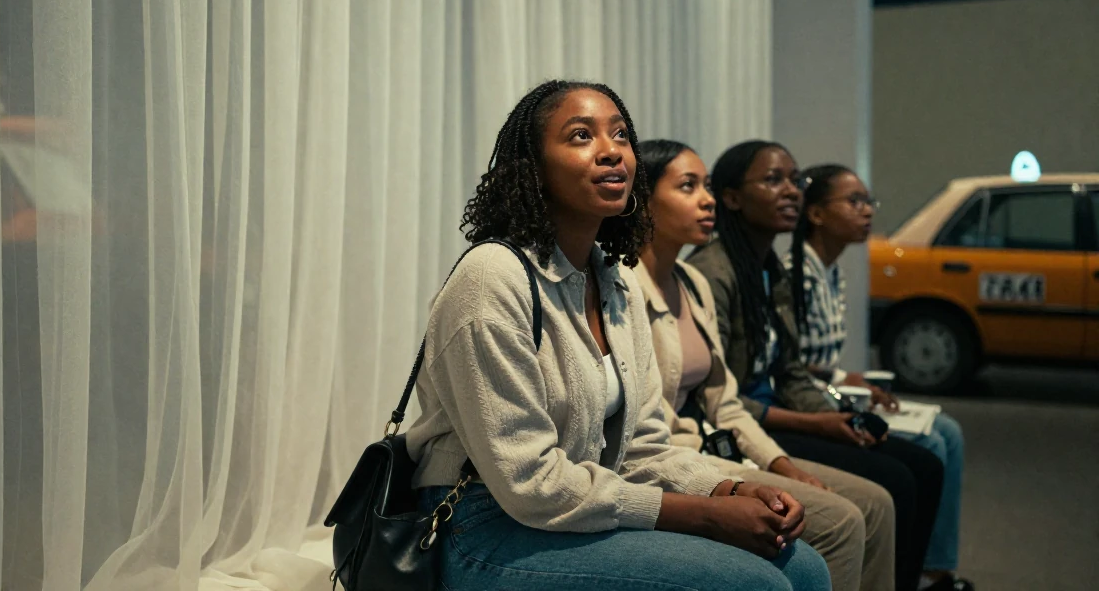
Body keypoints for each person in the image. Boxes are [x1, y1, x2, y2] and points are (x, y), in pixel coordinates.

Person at [404, 82, 831, 591]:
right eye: (581, 136)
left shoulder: (615, 280)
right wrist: (703, 515)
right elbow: (529, 485)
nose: (611, 151)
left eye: (621, 134)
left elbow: (644, 446)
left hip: (574, 508)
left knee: (804, 567)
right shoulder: (492, 278)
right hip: (482, 527)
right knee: (754, 584)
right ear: (534, 168)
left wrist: (728, 487)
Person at [631, 139, 896, 591]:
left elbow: (728, 401)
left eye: (708, 187)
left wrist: (782, 464)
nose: (707, 200)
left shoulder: (692, 282)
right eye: (688, 186)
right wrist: (735, 481)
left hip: (716, 444)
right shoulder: (625, 286)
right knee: (842, 521)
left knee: (877, 503)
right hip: (676, 460)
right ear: (643, 204)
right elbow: (647, 432)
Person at [685, 139, 944, 591]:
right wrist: (818, 424)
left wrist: (832, 415)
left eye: (796, 180)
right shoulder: (713, 272)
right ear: (731, 198)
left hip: (775, 412)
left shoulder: (770, 269)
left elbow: (789, 371)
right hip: (750, 422)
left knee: (922, 463)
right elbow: (724, 395)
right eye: (773, 180)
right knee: (896, 480)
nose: (791, 192)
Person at [785, 164, 971, 591]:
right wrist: (842, 387)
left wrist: (847, 377)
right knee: (930, 443)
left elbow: (811, 359)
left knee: (949, 432)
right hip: (806, 400)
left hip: (827, 388)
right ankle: (918, 572)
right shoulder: (796, 274)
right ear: (815, 214)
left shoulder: (832, 270)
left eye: (869, 202)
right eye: (854, 202)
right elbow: (788, 366)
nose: (867, 212)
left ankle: (935, 568)